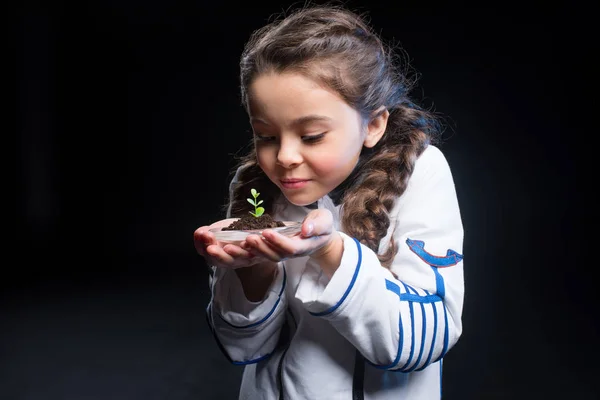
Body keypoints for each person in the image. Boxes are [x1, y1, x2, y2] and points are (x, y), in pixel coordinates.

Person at [193, 4, 464, 399]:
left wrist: (331, 250)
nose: (284, 157)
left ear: (373, 125)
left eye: (312, 135)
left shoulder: (421, 174)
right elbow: (239, 347)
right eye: (266, 136)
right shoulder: (255, 186)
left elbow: (427, 338)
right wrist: (254, 269)